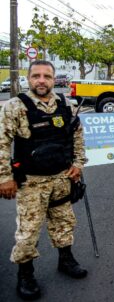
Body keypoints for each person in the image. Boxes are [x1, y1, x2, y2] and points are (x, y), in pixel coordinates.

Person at [0, 60, 88, 300]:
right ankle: (25, 274)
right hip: (31, 182)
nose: (41, 80)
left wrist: (78, 164)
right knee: (28, 232)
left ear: (53, 79)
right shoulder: (16, 107)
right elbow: (3, 143)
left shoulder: (65, 105)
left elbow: (77, 136)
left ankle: (66, 260)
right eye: (36, 76)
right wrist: (4, 177)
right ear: (29, 78)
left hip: (61, 178)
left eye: (46, 76)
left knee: (64, 222)